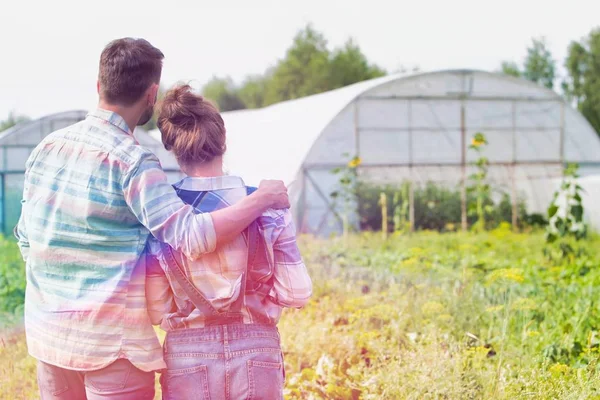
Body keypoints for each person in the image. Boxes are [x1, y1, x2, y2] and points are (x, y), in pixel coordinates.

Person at [14, 38, 290, 400]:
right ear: (151, 93)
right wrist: (261, 199)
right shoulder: (132, 161)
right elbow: (191, 235)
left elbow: (25, 238)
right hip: (110, 347)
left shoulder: (46, 148)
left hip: (48, 337)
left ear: (99, 85)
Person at [145, 84, 312, 400]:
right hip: (257, 349)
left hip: (187, 355)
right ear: (223, 141)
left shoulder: (163, 216)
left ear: (174, 150)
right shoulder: (268, 206)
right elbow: (297, 291)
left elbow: (155, 309)